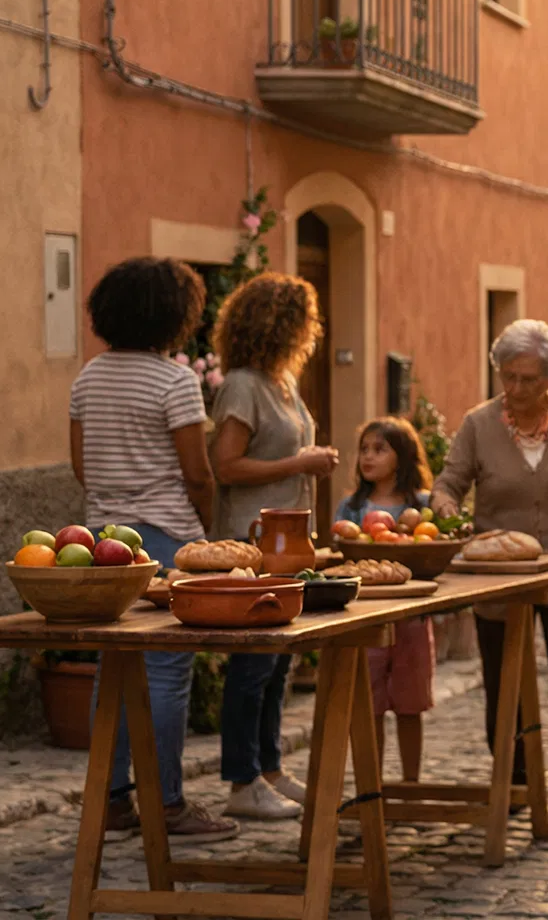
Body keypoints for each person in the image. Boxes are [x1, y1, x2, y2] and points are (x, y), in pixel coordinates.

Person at [71, 257, 238, 842]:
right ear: (175, 315)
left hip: (102, 542)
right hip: (165, 536)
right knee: (167, 670)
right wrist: (203, 532)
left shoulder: (88, 378)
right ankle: (166, 804)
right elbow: (197, 474)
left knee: (112, 667)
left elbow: (80, 464)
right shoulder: (175, 381)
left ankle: (113, 801)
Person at [432, 319, 548, 817]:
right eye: (508, 376)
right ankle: (513, 779)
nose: (516, 388)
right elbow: (449, 483)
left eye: (529, 379)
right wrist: (446, 510)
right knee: (504, 681)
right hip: (501, 580)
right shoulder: (478, 424)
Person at [209, 273, 337, 821]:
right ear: (281, 324)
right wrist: (299, 463)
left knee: (279, 661)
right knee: (253, 663)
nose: (313, 330)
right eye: (306, 320)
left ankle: (271, 770)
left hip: (289, 543)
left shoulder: (283, 380)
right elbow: (226, 466)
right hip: (251, 541)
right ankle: (242, 781)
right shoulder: (243, 385)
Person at [335, 417, 436, 783]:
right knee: (369, 705)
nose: (368, 456)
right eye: (364, 449)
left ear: (403, 456)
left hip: (412, 620)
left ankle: (411, 784)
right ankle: (371, 785)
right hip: (366, 617)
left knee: (410, 705)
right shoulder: (351, 508)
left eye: (379, 449)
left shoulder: (421, 505)